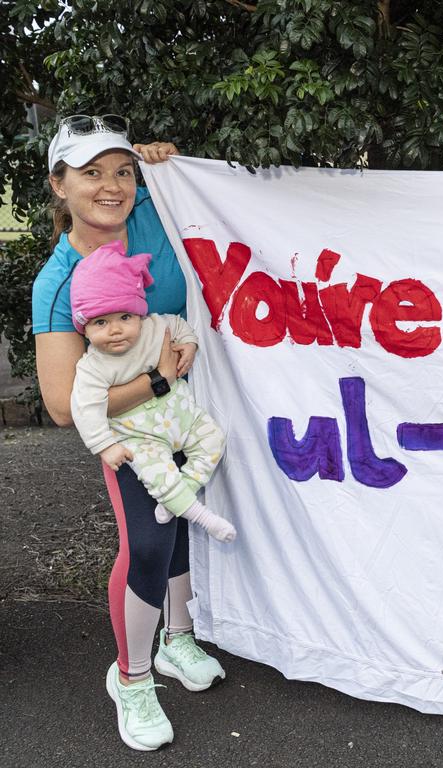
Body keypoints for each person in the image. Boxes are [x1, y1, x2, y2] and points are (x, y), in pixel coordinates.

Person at [32, 115, 225, 751]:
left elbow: (208, 204)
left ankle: (177, 640)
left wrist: (168, 163)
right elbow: (64, 406)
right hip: (124, 431)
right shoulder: (57, 283)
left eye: (122, 171)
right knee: (146, 540)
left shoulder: (150, 211)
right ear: (59, 184)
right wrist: (159, 382)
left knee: (178, 527)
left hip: (181, 415)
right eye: (91, 173)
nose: (112, 187)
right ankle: (132, 679)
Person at [69, 242, 236, 543]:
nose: (116, 330)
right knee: (157, 474)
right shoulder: (93, 366)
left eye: (124, 317)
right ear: (84, 327)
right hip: (139, 435)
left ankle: (179, 495)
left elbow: (178, 324)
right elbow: (85, 407)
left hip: (183, 416)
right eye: (100, 322)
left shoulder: (155, 328)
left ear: (139, 314)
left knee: (214, 439)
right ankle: (202, 517)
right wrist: (105, 446)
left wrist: (190, 344)